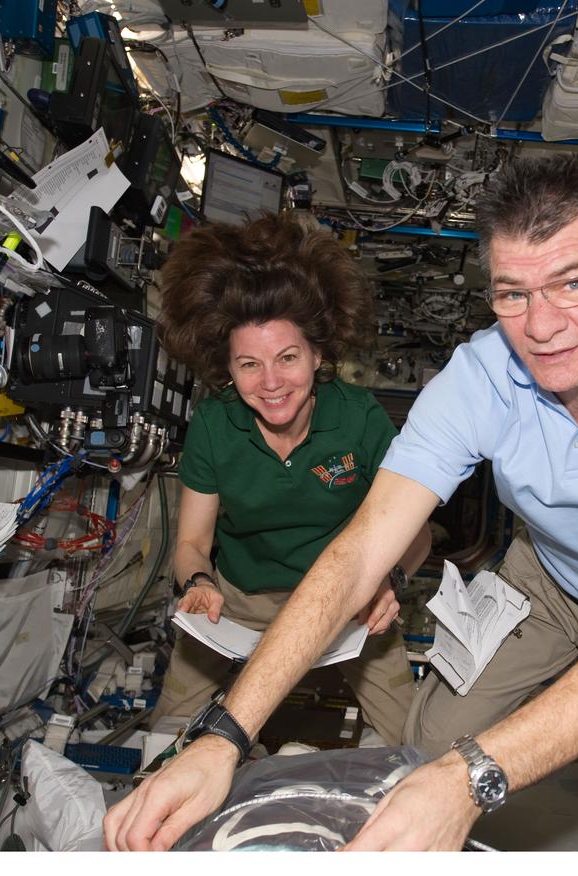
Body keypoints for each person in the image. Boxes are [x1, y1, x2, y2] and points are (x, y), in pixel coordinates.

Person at [104, 156, 578, 851]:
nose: (540, 327)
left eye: (570, 283)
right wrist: (223, 738)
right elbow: (361, 550)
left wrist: (472, 777)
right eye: (512, 293)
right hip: (545, 582)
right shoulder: (483, 376)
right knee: (424, 747)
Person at [146, 211, 431, 751]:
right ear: (228, 370)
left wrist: (389, 582)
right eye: (250, 365)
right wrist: (198, 585)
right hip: (236, 601)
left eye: (288, 357)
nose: (271, 382)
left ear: (318, 356)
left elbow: (417, 531)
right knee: (166, 739)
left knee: (412, 743)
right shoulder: (213, 422)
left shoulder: (359, 417)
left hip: (347, 597)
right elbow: (191, 543)